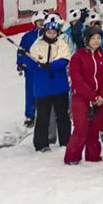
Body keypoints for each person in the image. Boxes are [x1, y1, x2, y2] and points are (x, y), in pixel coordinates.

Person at [22, 17, 72, 152]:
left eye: (54, 32)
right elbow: (32, 63)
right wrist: (27, 59)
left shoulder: (62, 44)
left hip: (59, 86)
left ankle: (66, 141)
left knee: (62, 115)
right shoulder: (37, 45)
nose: (51, 35)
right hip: (43, 87)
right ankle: (41, 144)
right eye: (49, 32)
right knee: (43, 116)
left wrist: (51, 65)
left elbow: (64, 60)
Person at [64, 26, 103, 164]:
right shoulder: (78, 56)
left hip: (99, 99)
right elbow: (77, 79)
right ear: (86, 40)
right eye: (93, 38)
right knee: (81, 128)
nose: (96, 41)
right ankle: (72, 157)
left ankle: (93, 155)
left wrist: (101, 95)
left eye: (99, 38)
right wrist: (92, 96)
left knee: (94, 129)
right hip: (82, 98)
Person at [17, 10, 47, 127]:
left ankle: (46, 114)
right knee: (31, 92)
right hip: (31, 69)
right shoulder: (28, 36)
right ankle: (30, 115)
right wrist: (20, 63)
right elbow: (21, 51)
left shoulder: (51, 34)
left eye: (43, 21)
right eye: (39, 21)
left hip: (45, 69)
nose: (41, 23)